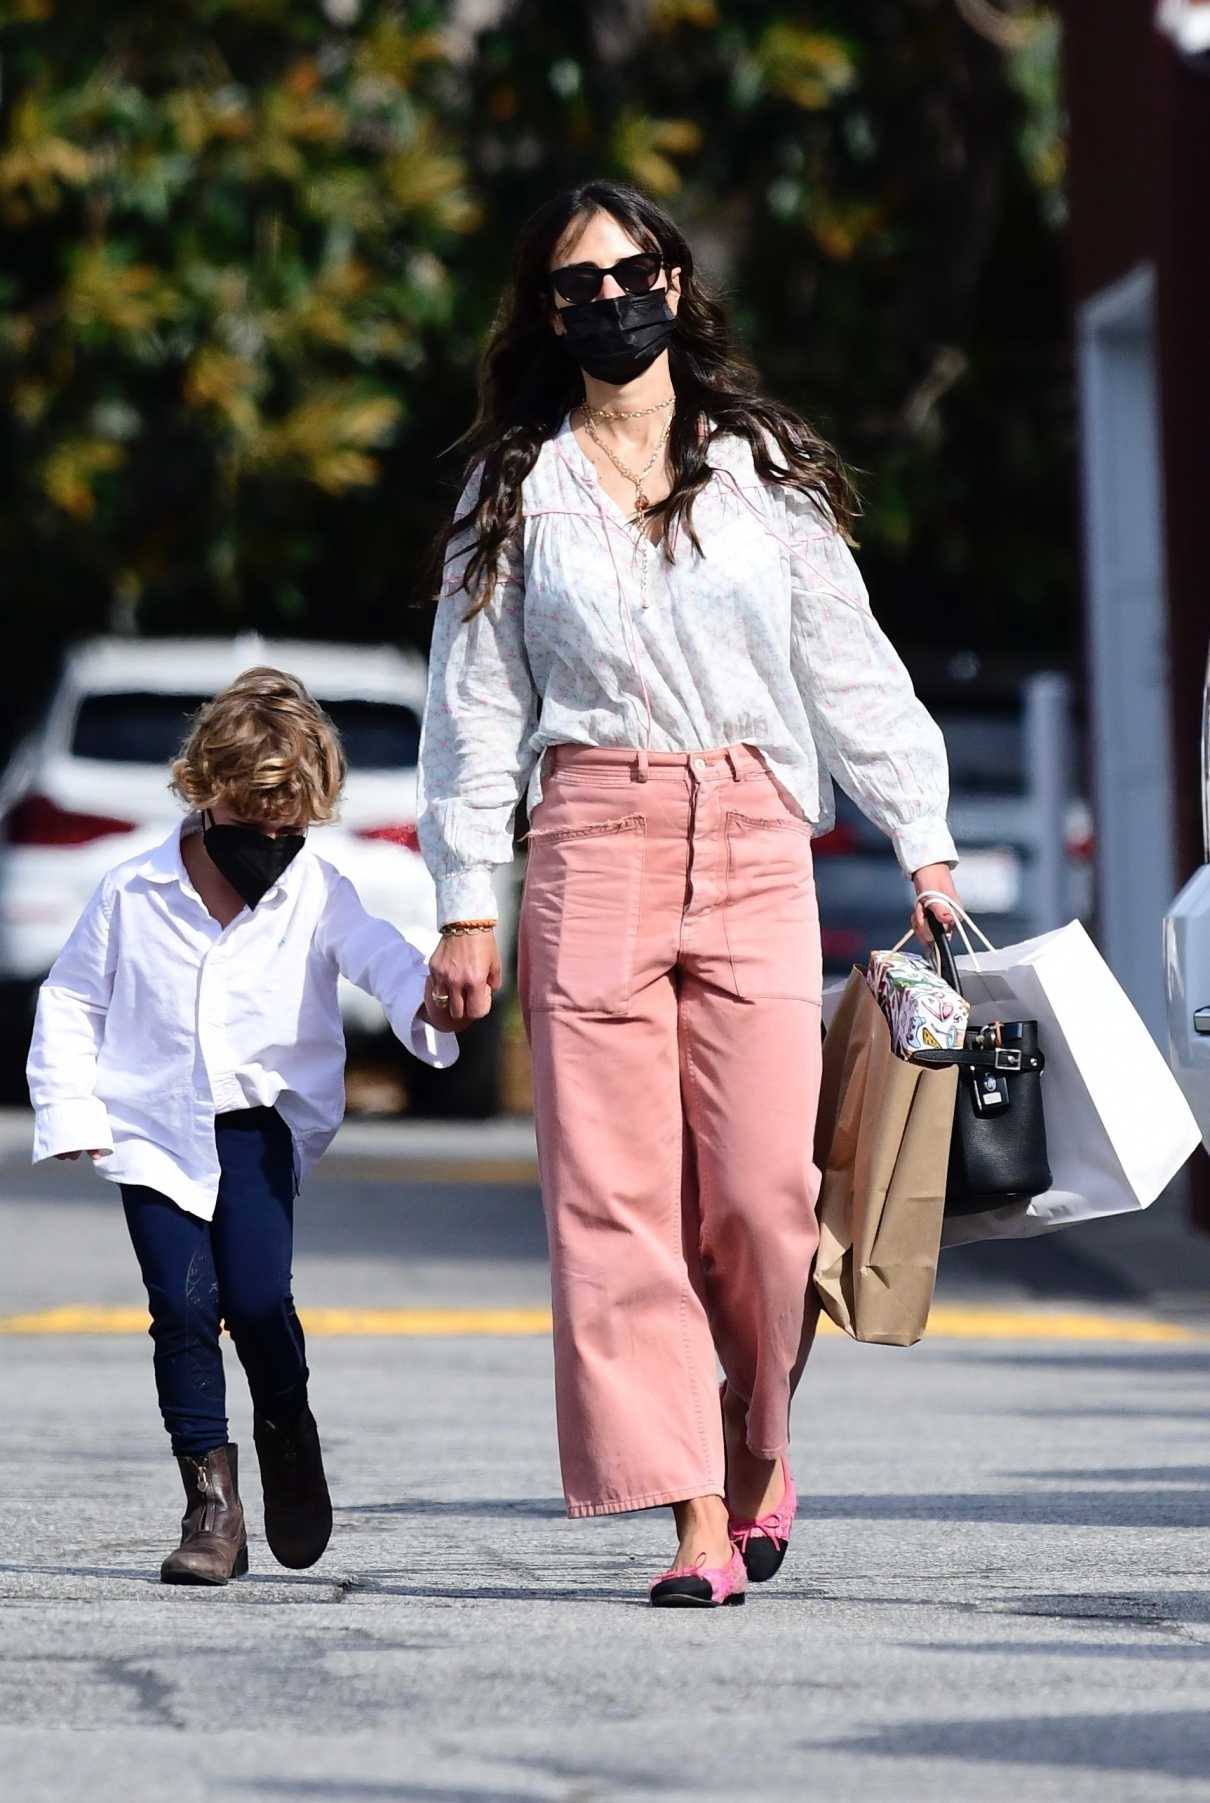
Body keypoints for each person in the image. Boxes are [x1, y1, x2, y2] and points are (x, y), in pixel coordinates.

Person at [417, 180, 962, 1609]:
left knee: (764, 1202)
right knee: (614, 1202)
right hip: (589, 833)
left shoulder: (760, 467)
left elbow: (844, 657)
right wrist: (467, 894)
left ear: (675, 279)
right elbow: (472, 707)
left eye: (630, 271)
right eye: (576, 283)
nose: (609, 301)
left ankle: (761, 1437)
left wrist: (921, 831)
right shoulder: (513, 486)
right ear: (547, 310)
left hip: (753, 836)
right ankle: (696, 1513)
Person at [26, 668, 460, 1586]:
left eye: (289, 826)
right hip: (149, 1129)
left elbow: (382, 956)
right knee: (182, 1309)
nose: (273, 843)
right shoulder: (132, 890)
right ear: (208, 791)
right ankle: (211, 1509)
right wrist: (72, 1109)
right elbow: (69, 999)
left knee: (257, 1302)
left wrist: (434, 997)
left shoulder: (315, 890)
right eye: (255, 821)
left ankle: (288, 1430)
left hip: (257, 1128)